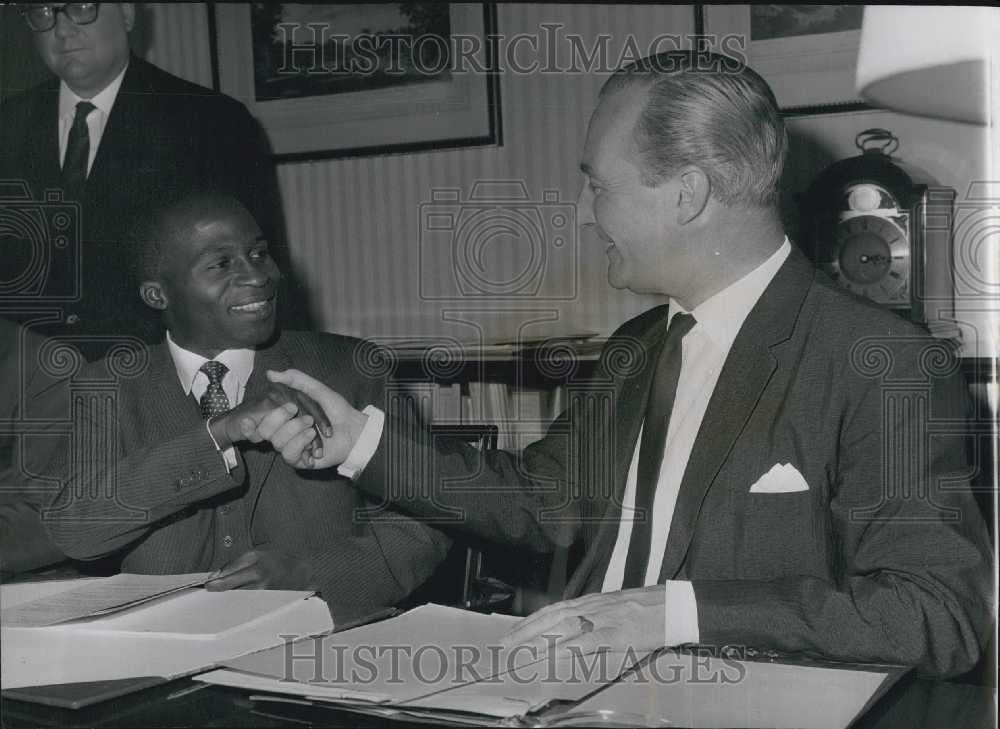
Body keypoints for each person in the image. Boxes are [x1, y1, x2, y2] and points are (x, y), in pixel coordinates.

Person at [256, 51, 992, 676]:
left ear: (689, 194)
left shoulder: (878, 362)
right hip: (564, 685)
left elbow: (938, 611)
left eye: (599, 185)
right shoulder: (638, 346)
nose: (584, 211)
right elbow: (542, 502)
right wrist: (360, 443)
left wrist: (678, 613)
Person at [37, 193, 449, 618]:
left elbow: (426, 523)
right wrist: (217, 435)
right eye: (222, 264)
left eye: (259, 253)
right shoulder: (107, 385)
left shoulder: (351, 368)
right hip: (163, 646)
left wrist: (314, 572)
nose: (259, 276)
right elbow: (73, 529)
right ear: (158, 295)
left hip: (322, 641)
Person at [0, 3, 307, 354]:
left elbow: (258, 275)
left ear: (127, 13)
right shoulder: (7, 125)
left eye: (82, 7)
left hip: (160, 381)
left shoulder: (211, 121)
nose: (63, 29)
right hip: (28, 386)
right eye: (42, 12)